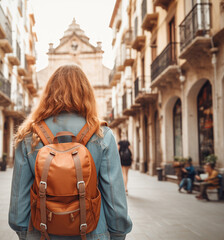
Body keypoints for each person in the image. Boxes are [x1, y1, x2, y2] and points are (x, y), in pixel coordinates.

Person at [9, 65, 132, 240]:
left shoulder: (30, 135)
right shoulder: (102, 135)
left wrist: (24, 232)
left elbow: (19, 196)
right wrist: (118, 233)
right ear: (86, 93)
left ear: (48, 93)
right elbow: (113, 195)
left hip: (41, 232)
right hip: (93, 232)